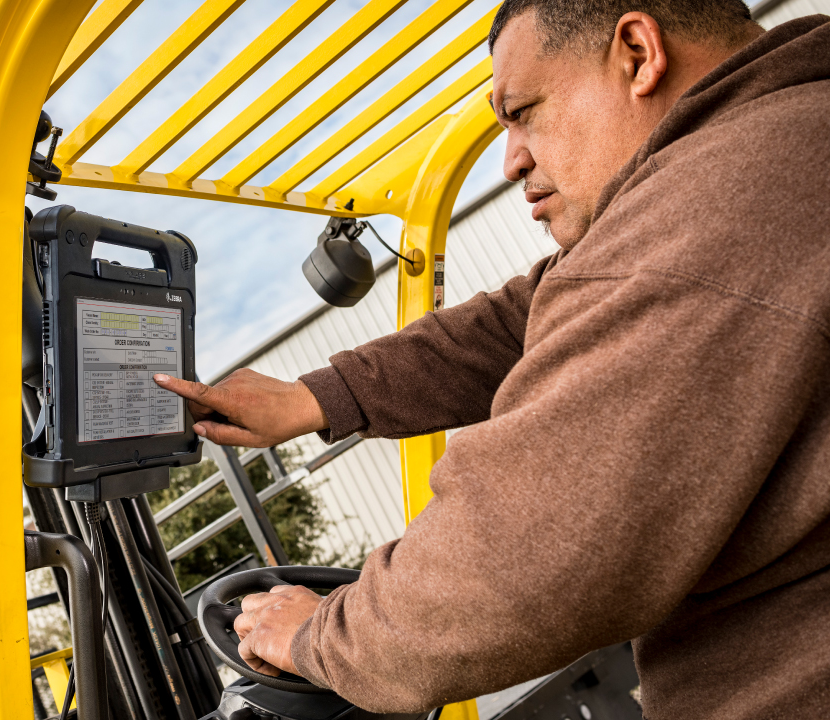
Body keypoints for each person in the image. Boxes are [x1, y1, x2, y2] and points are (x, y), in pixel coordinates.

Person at [152, 1, 830, 717]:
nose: (511, 160)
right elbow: (522, 318)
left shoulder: (719, 198)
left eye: (523, 112)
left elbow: (528, 557)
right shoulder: (779, 142)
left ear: (637, 51)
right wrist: (315, 397)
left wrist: (324, 635)